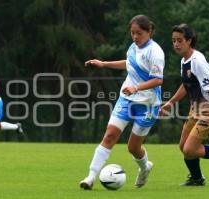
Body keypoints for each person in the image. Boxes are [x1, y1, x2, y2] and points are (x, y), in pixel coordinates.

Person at [79, 14, 165, 190]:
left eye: (139, 33)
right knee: (110, 135)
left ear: (149, 32)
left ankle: (144, 168)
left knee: (133, 148)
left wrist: (137, 88)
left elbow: (158, 80)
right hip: (126, 99)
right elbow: (129, 64)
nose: (135, 37)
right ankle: (90, 177)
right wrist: (104, 64)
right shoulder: (134, 47)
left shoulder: (156, 52)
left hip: (148, 105)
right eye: (132, 33)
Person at [160, 24, 209, 186]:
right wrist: (170, 103)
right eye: (173, 41)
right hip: (196, 109)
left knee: (190, 150)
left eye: (180, 40)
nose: (176, 44)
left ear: (189, 41)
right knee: (183, 146)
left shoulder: (197, 61)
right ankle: (197, 178)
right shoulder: (184, 61)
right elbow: (185, 85)